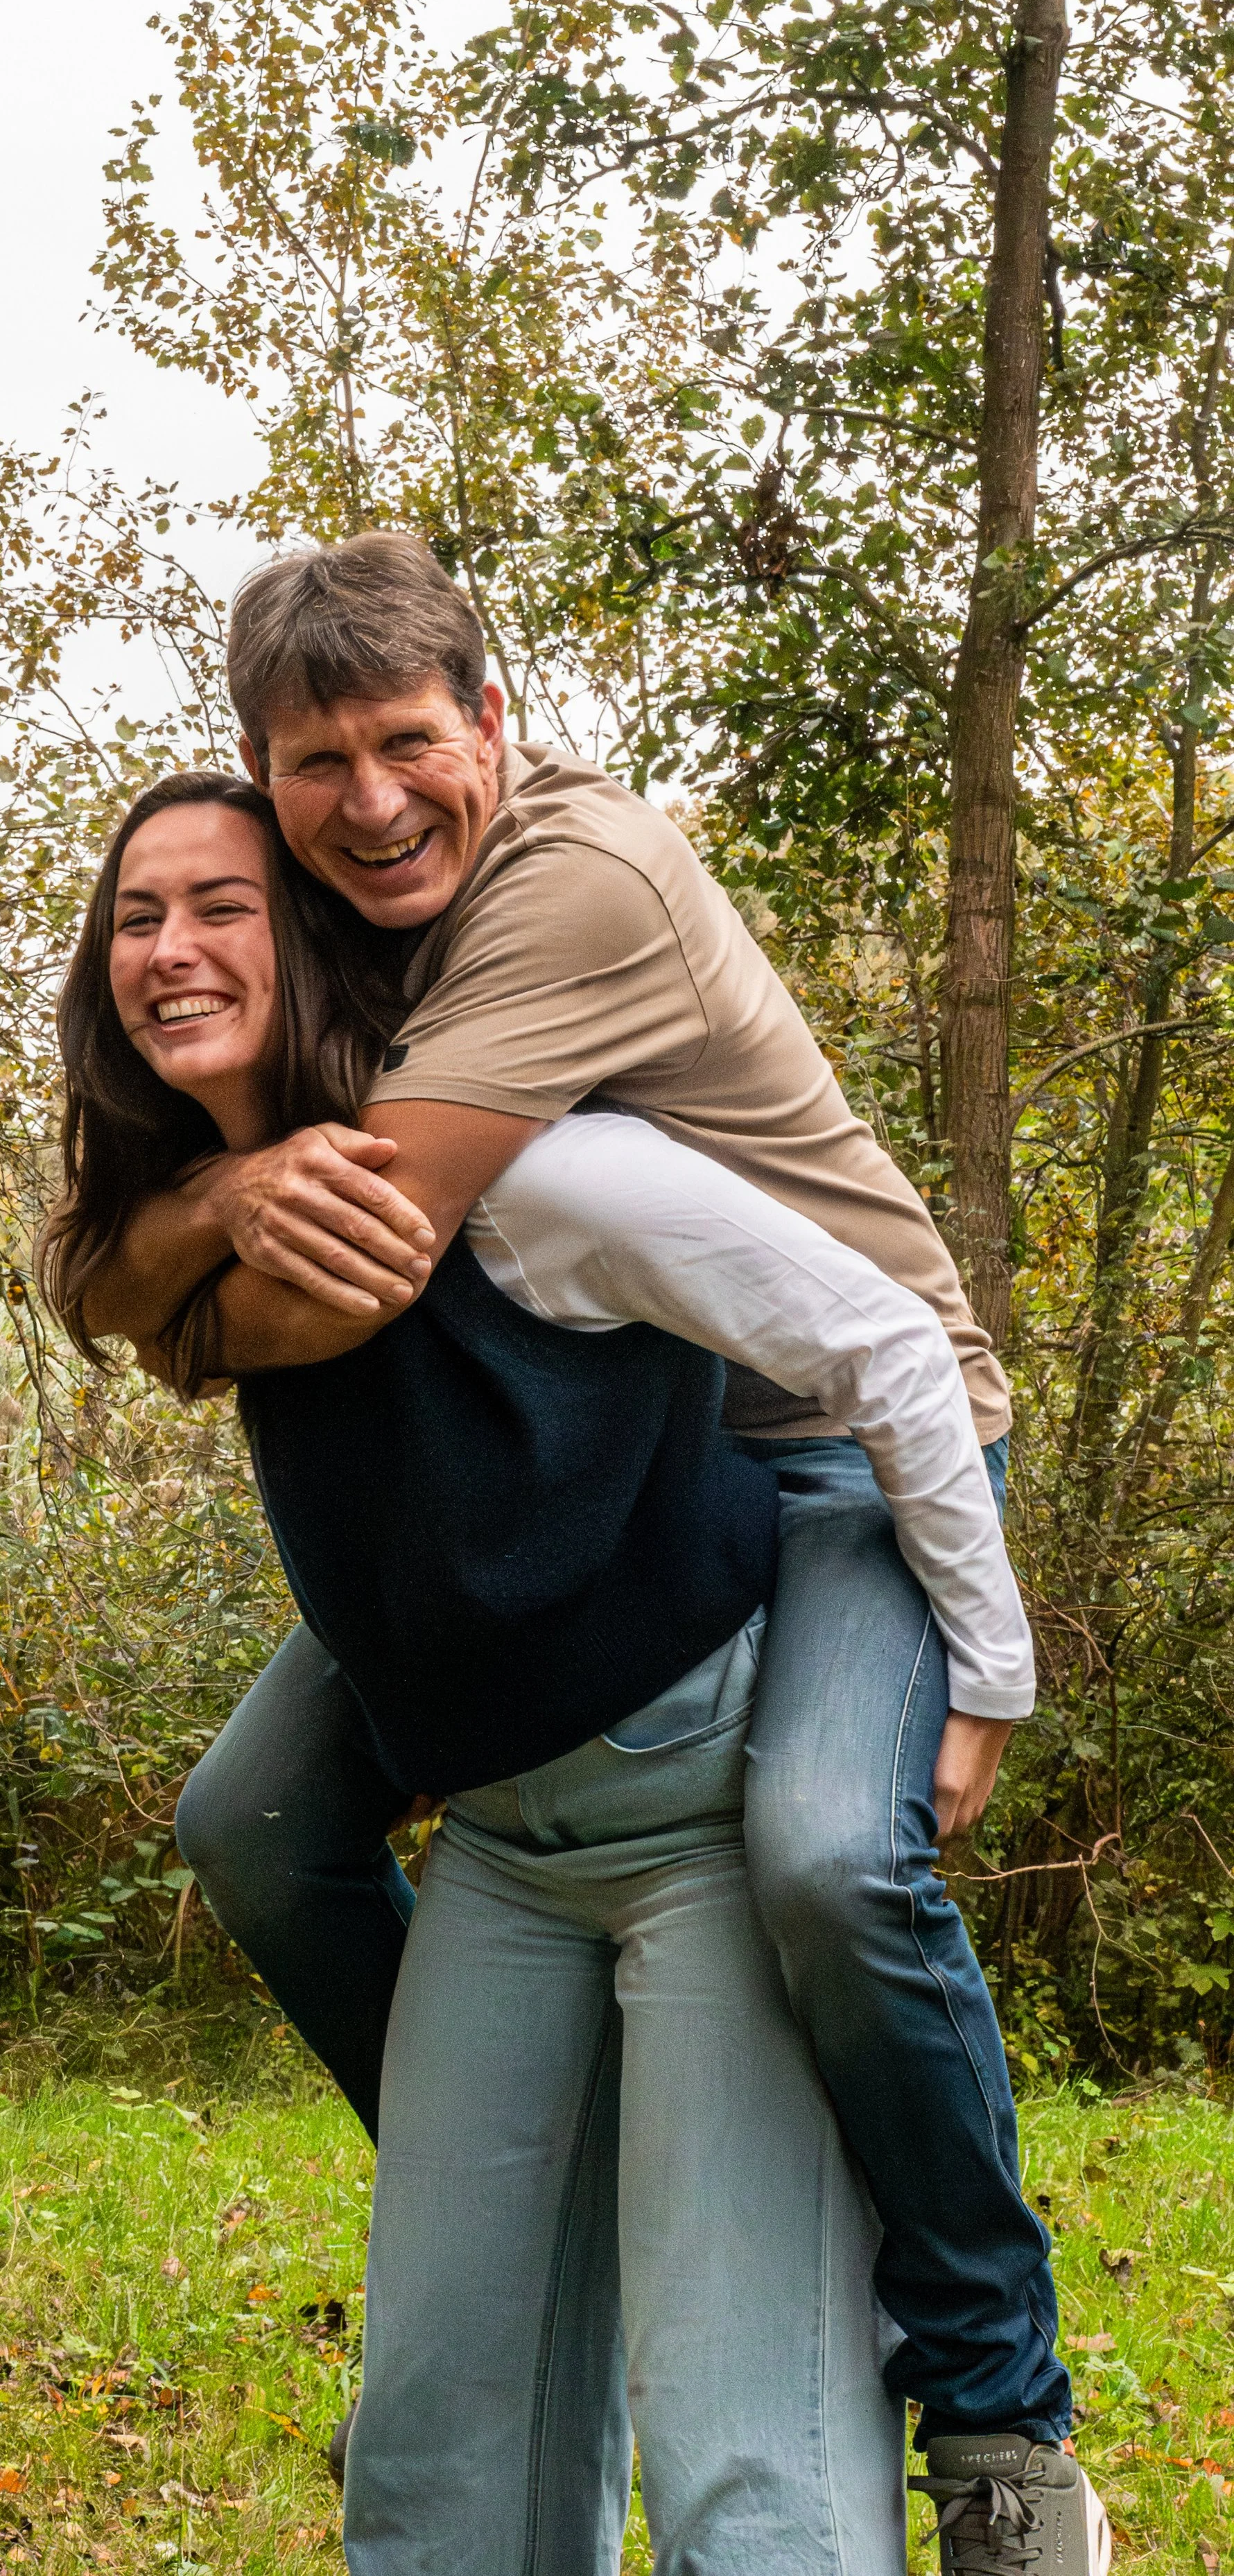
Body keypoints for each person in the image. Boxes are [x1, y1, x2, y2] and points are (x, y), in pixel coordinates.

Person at [71, 537, 1086, 2536]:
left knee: (828, 1854)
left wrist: (991, 1672)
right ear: (264, 774)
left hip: (866, 1443)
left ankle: (994, 2398)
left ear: (493, 721)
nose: (370, 800)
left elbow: (359, 1270)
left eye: (407, 744)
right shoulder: (363, 926)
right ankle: (529, 2196)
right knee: (256, 1815)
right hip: (644, 1462)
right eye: (314, 763)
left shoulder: (576, 888)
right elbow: (144, 1259)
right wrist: (198, 1209)